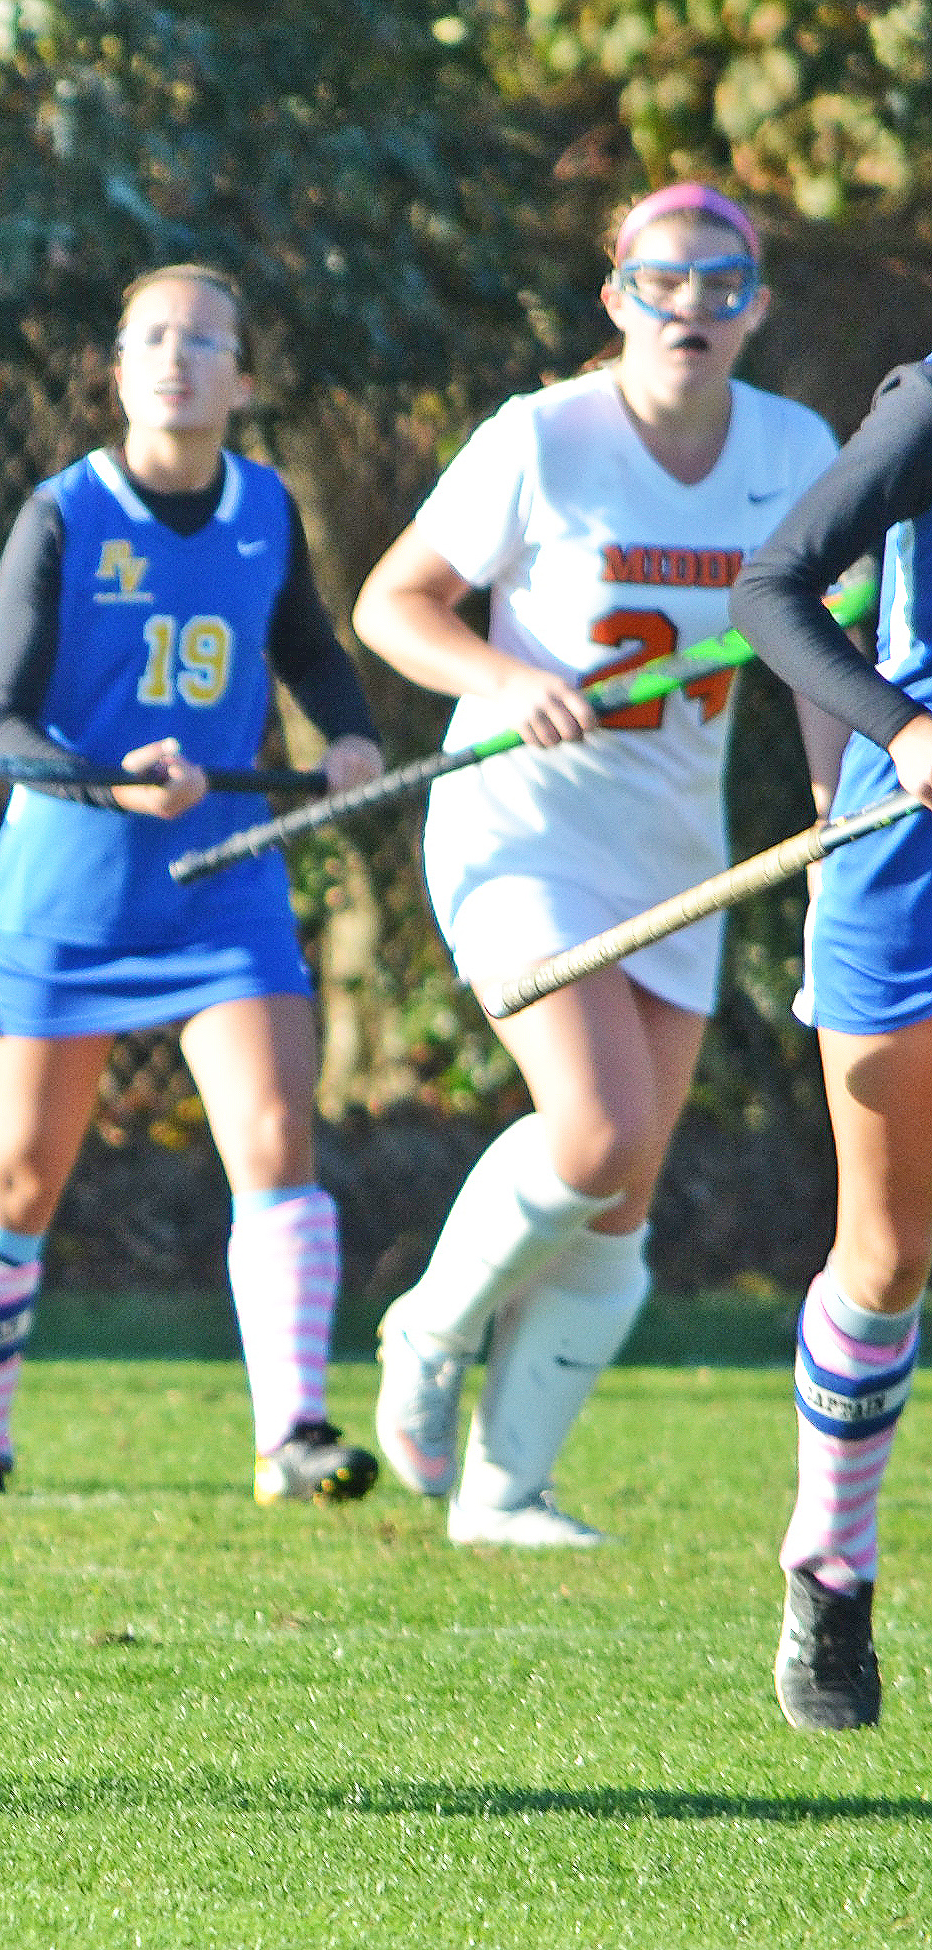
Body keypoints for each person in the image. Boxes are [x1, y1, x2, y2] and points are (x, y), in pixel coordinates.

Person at [354, 184, 838, 1545]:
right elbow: (391, 603)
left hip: (673, 845)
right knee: (595, 1125)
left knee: (619, 1201)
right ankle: (427, 1328)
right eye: (663, 279)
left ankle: (505, 1492)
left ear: (754, 304)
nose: (692, 306)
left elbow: (814, 648)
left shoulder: (794, 449)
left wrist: (817, 823)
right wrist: (503, 679)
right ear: (617, 295)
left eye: (723, 282)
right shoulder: (542, 437)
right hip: (523, 826)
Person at [0, 263, 387, 1509]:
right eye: (153, 339)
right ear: (119, 370)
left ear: (243, 374)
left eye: (205, 340)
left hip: (221, 881)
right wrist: (113, 783)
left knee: (278, 1137)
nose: (178, 359)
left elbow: (308, 650)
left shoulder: (266, 507)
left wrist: (345, 735)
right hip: (68, 886)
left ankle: (294, 1433)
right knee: (19, 1174)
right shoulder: (63, 514)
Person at [731, 352, 932, 1728]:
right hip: (906, 863)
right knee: (889, 1246)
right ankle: (831, 1561)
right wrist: (905, 726)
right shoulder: (927, 409)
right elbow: (770, 589)